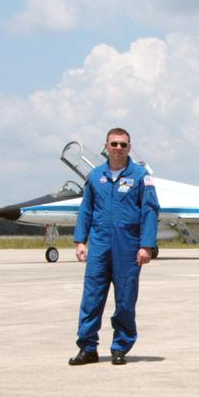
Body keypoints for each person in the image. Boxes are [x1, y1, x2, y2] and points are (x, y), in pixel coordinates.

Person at [68, 127, 160, 366]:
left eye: (123, 144)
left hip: (128, 247)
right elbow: (85, 210)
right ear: (106, 146)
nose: (118, 148)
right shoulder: (95, 177)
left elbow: (150, 211)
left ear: (129, 147)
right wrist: (80, 241)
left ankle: (120, 346)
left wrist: (146, 245)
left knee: (125, 301)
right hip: (99, 246)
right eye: (114, 144)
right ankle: (87, 347)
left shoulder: (141, 177)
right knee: (91, 298)